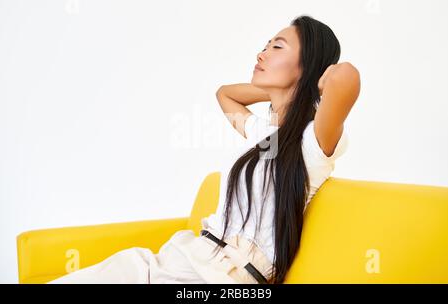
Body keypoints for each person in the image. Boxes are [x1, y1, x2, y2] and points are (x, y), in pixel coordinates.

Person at [48, 15, 360, 284]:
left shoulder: (312, 145)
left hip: (223, 276)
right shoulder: (262, 134)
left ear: (309, 68)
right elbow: (225, 94)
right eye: (265, 45)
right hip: (184, 258)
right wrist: (276, 89)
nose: (262, 53)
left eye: (277, 46)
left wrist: (310, 83)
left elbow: (346, 76)